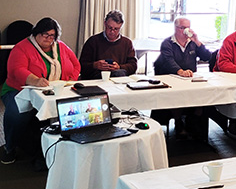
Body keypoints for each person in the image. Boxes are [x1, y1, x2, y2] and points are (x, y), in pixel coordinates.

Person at [1, 18, 80, 165]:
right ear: (36, 33)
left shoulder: (61, 47)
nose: (49, 39)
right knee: (18, 113)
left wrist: (69, 81)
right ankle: (9, 147)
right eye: (45, 35)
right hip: (18, 90)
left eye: (52, 36)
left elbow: (76, 65)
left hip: (53, 90)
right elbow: (16, 70)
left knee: (70, 109)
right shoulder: (22, 47)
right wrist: (35, 80)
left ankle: (61, 148)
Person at [152, 17, 213, 140]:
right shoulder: (167, 43)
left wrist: (197, 41)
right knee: (176, 94)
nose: (186, 31)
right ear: (176, 28)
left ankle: (193, 121)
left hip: (190, 78)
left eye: (188, 28)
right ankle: (178, 122)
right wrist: (180, 71)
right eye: (183, 28)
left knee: (203, 93)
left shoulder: (192, 43)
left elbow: (207, 57)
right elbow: (168, 60)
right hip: (172, 77)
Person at [78, 9, 138, 80]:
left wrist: (119, 67)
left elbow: (133, 66)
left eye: (116, 29)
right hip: (96, 80)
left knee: (119, 73)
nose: (112, 32)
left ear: (121, 27)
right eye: (109, 28)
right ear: (105, 23)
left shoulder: (127, 43)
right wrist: (95, 65)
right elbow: (81, 66)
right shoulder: (93, 41)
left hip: (119, 80)